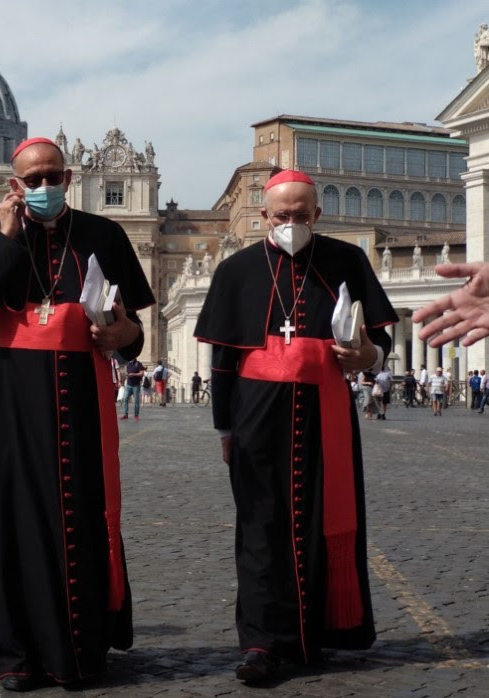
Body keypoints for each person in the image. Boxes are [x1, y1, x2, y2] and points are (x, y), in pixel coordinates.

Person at [0, 137, 154, 690]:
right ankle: (14, 653)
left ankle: (81, 647)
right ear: (14, 186)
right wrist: (9, 239)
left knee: (83, 511)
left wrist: (122, 333)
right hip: (14, 399)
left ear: (68, 176)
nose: (44, 187)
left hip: (83, 397)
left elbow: (133, 332)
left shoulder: (104, 235)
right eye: (32, 180)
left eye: (52, 176)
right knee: (13, 515)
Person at [194, 170, 396, 684]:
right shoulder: (236, 270)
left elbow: (379, 342)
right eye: (281, 215)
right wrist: (223, 430)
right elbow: (222, 362)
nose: (290, 223)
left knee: (321, 520)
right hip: (255, 415)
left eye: (300, 215)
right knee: (260, 528)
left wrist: (366, 354)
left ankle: (317, 632)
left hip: (325, 410)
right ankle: (262, 642)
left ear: (317, 216)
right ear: (264, 216)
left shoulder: (345, 261)